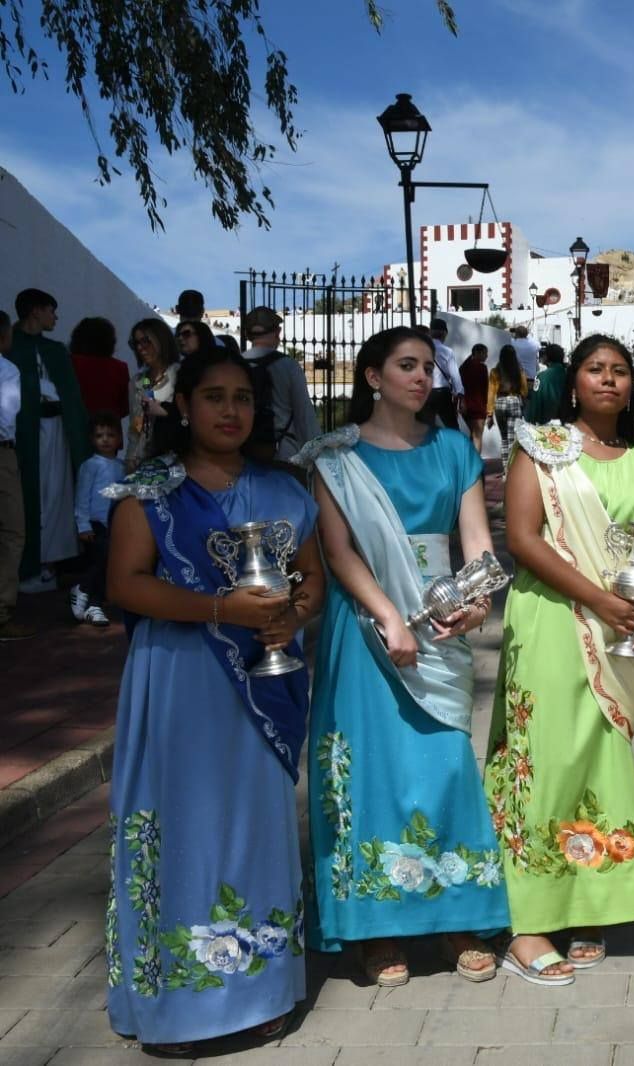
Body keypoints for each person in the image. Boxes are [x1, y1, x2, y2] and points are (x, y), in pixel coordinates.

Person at [103, 346, 325, 1053]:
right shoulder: (152, 491)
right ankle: (176, 1005)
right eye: (214, 397)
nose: (230, 411)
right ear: (186, 406)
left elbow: (312, 579)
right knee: (180, 826)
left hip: (265, 676)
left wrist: (296, 611)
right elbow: (128, 584)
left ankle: (259, 992)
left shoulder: (288, 490)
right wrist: (218, 608)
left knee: (256, 826)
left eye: (243, 398)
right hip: (180, 677)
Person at [300, 326, 507, 988]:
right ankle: (376, 929)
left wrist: (477, 602)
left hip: (442, 620)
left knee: (444, 765)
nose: (421, 377)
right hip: (363, 624)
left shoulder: (452, 448)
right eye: (405, 365)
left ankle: (455, 916)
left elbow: (476, 543)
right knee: (371, 771)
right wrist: (390, 617)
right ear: (372, 376)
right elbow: (339, 553)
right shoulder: (336, 456)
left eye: (427, 367)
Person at [486, 334, 634, 986]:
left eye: (620, 371)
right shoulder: (541, 450)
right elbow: (521, 538)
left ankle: (589, 899)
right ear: (574, 384)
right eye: (595, 369)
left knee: (599, 757)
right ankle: (528, 923)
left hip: (618, 635)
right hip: (550, 621)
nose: (608, 380)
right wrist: (599, 600)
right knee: (544, 759)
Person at [7, 289, 89, 594]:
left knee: (56, 494)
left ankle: (47, 564)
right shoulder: (11, 346)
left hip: (56, 433)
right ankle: (24, 566)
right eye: (51, 310)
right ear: (35, 311)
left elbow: (70, 396)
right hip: (24, 433)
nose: (55, 317)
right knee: (27, 496)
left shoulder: (56, 350)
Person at [241, 306, 318, 463]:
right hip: (284, 452)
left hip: (243, 452)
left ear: (247, 335)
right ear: (277, 332)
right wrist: (316, 455)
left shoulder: (235, 365)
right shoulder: (288, 365)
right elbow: (304, 415)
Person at [71, 412, 124, 626]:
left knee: (108, 564)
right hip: (95, 524)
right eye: (99, 435)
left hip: (114, 524)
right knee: (100, 560)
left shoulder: (122, 466)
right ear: (92, 439)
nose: (105, 439)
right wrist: (82, 525)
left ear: (119, 439)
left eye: (110, 435)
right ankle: (85, 591)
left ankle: (93, 604)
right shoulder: (90, 465)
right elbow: (82, 496)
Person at [0, 311, 30, 640]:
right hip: (1, 451)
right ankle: (2, 611)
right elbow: (8, 413)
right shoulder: (7, 369)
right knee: (11, 531)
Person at [126, 318, 182, 471]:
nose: (141, 348)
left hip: (176, 459)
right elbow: (136, 422)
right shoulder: (137, 381)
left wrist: (164, 412)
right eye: (136, 343)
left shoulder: (180, 375)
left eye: (146, 341)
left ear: (161, 339)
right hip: (144, 462)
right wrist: (131, 455)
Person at [68, 317, 130, 429]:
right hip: (107, 433)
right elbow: (125, 406)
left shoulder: (69, 362)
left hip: (72, 430)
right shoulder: (120, 368)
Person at [487, 343, 529, 469]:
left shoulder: (495, 371)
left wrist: (489, 413)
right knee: (513, 439)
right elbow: (524, 390)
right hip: (513, 401)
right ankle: (512, 469)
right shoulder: (519, 370)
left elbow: (491, 392)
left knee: (504, 438)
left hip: (499, 403)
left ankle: (506, 469)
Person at [425, 319, 465, 431]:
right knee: (452, 428)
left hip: (425, 392)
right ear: (444, 333)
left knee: (426, 429)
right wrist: (460, 393)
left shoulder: (422, 349)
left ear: (430, 332)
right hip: (442, 393)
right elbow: (454, 375)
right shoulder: (447, 351)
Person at [526, 344, 567, 425]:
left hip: (547, 427)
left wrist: (530, 423)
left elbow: (535, 404)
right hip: (569, 425)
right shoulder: (569, 375)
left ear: (547, 357)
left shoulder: (541, 377)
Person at [460, 343, 490, 452]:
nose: (486, 356)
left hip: (466, 407)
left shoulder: (464, 367)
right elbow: (486, 388)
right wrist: (488, 407)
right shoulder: (482, 368)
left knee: (472, 435)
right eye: (485, 353)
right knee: (477, 437)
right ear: (478, 353)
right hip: (478, 406)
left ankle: (469, 463)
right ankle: (476, 465)